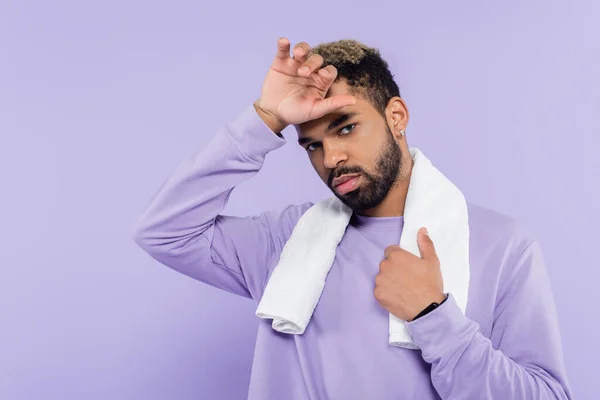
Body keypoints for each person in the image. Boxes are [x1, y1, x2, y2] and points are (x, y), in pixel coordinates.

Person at [131, 37, 572, 399]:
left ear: (395, 116)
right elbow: (163, 231)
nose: (332, 157)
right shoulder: (284, 239)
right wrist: (264, 118)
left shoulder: (503, 245)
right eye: (312, 145)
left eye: (345, 127)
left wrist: (434, 316)